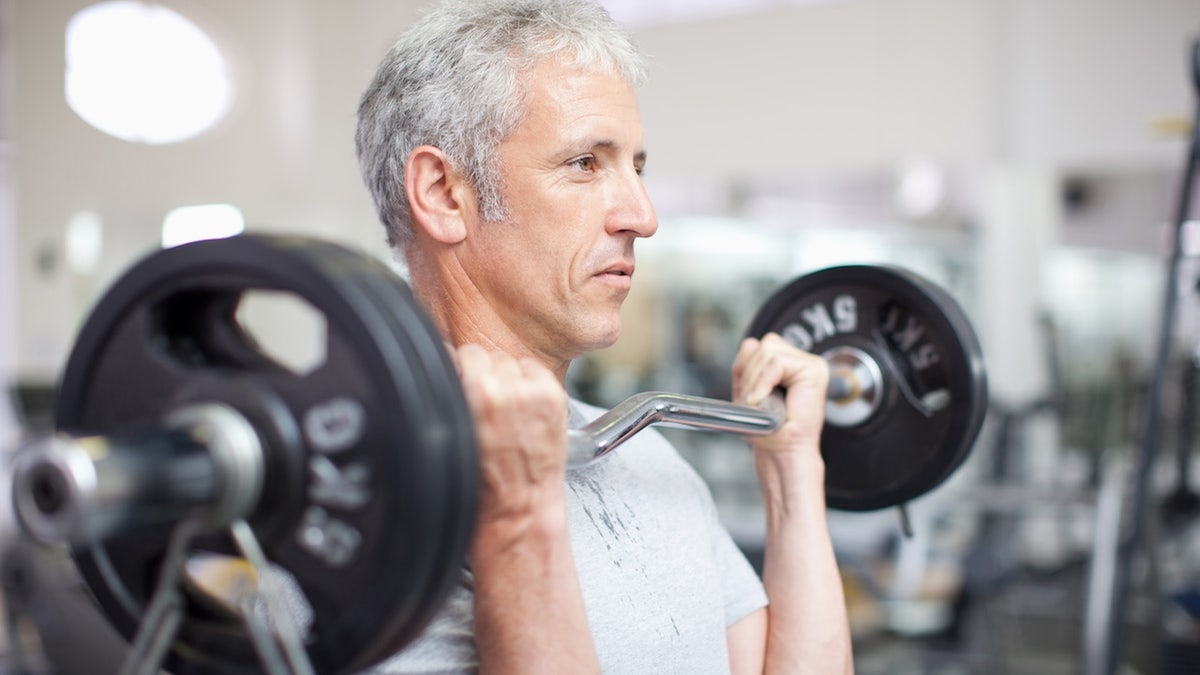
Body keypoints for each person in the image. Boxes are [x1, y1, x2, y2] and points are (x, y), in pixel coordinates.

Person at [354, 0, 853, 672]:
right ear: (444, 193)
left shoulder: (649, 462)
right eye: (586, 163)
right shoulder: (358, 507)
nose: (643, 216)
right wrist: (517, 515)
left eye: (636, 168)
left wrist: (793, 473)